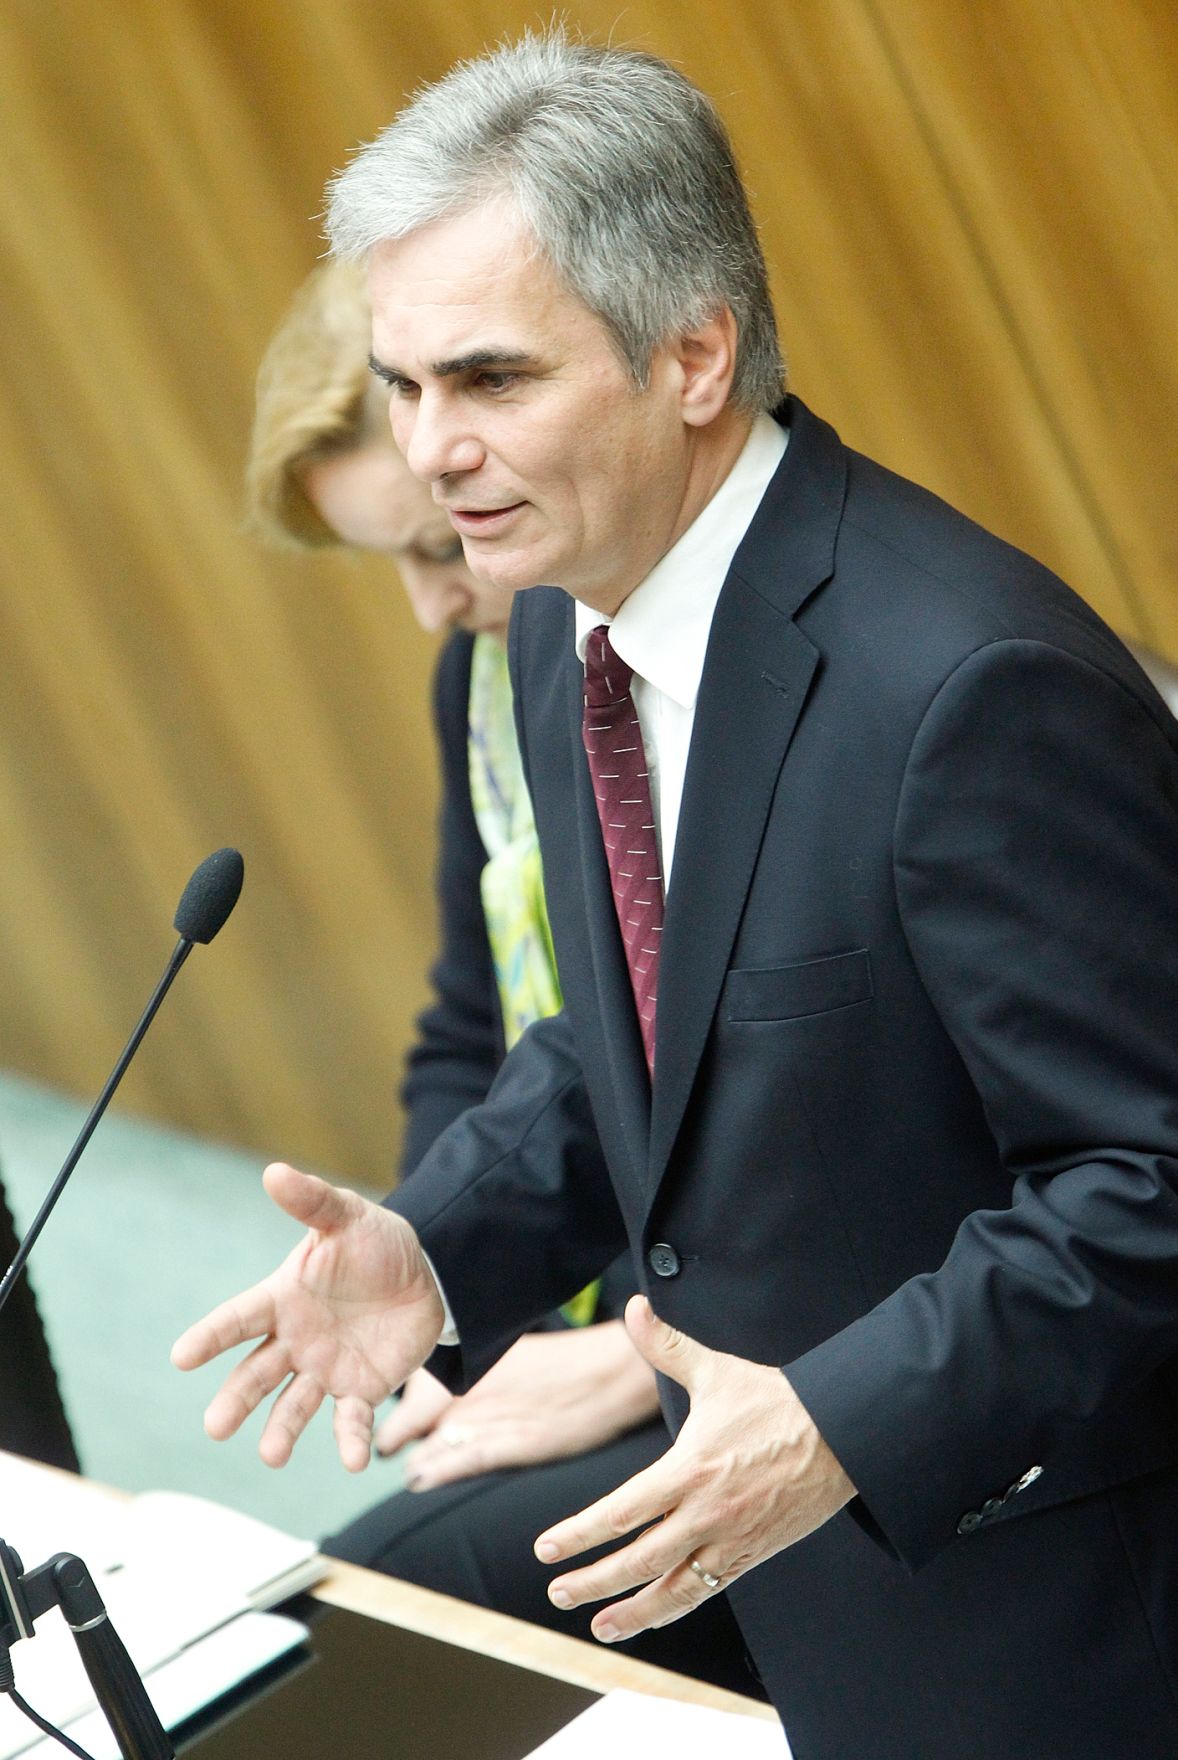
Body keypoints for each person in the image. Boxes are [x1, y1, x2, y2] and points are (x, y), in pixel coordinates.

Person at [175, 33, 1178, 1760]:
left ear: (693, 355)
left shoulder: (965, 685)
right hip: (782, 1535)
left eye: (489, 380)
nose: (431, 449)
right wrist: (444, 1242)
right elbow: (638, 1040)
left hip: (1049, 1597)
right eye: (406, 382)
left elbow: (1165, 1179)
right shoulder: (546, 618)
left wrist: (832, 1424)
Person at [243, 257, 755, 1690]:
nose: (427, 603)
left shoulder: (685, 669)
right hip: (572, 1248)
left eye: (434, 544)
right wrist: (429, 1273)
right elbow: (472, 1026)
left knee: (369, 1626)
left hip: (760, 1328)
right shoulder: (487, 670)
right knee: (372, 1574)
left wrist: (640, 1363)